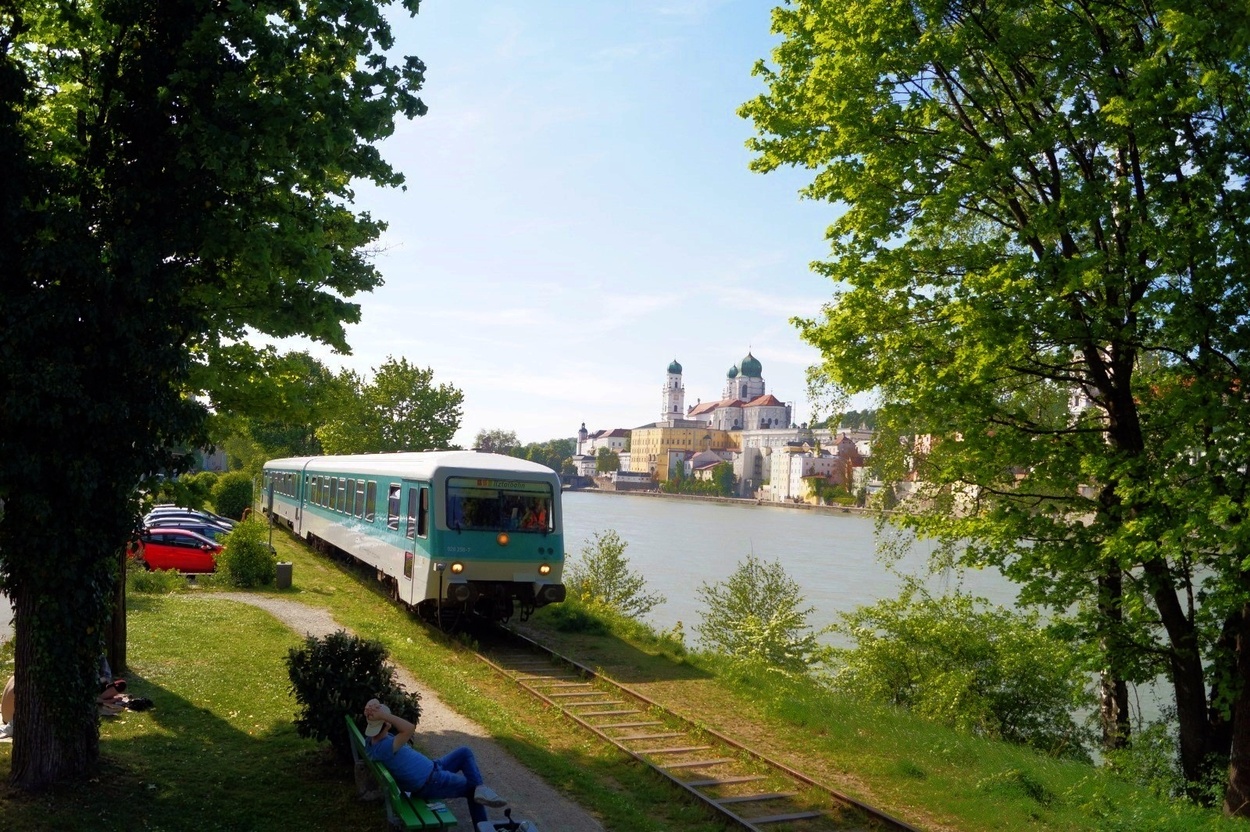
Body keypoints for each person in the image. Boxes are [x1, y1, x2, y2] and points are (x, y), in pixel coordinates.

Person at [363, 698, 507, 827]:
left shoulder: (371, 740)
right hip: (431, 783)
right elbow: (409, 728)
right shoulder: (384, 748)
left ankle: (480, 787)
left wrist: (373, 708)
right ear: (385, 722)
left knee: (464, 752)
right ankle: (482, 824)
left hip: (433, 768)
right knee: (472, 790)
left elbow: (384, 723)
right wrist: (384, 715)